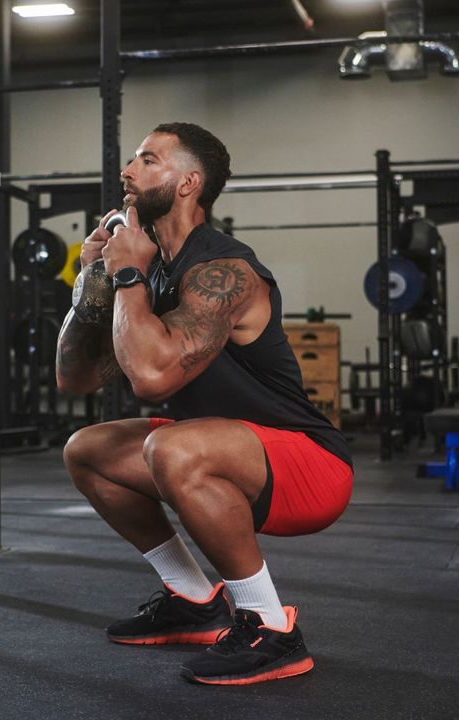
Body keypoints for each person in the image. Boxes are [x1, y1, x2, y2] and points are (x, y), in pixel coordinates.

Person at [55, 122, 354, 686]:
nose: (127, 171)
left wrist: (125, 274)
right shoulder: (152, 269)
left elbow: (150, 377)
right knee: (87, 448)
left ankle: (272, 628)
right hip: (218, 448)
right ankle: (195, 601)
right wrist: (94, 282)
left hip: (308, 466)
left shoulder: (226, 270)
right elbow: (75, 378)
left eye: (147, 160)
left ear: (189, 181)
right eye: (132, 161)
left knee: (169, 444)